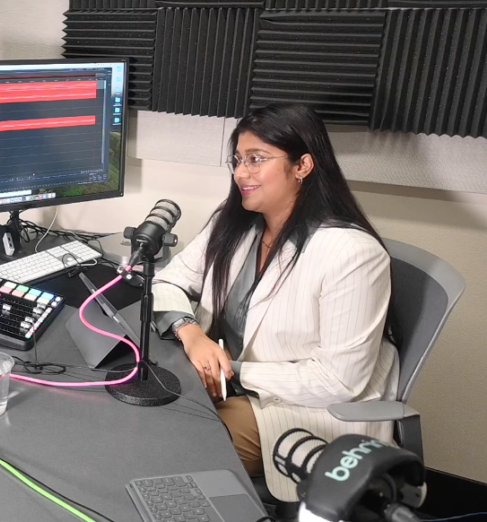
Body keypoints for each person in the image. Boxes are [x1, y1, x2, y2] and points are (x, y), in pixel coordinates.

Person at [152, 103, 398, 502]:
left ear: (302, 165)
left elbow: (338, 381)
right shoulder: (233, 224)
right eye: (237, 160)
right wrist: (190, 332)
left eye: (256, 159)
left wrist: (228, 370)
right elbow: (168, 280)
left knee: (175, 441)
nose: (240, 173)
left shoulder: (352, 254)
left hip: (303, 410)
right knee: (141, 412)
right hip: (232, 387)